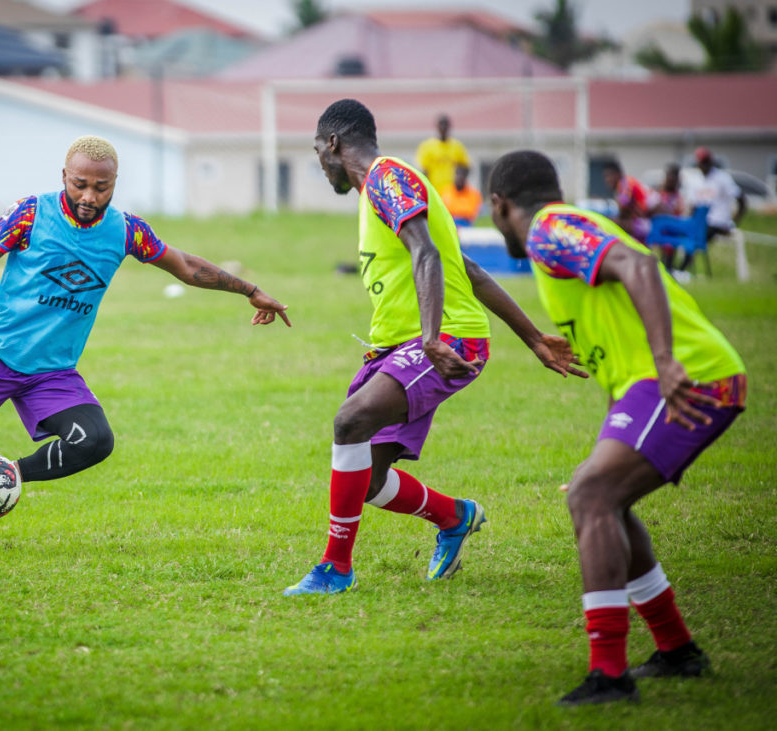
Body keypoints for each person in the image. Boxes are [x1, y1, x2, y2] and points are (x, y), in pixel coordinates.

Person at [0, 135, 291, 558]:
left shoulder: (126, 231)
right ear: (63, 177)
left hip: (51, 372)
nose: (89, 196)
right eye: (80, 184)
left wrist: (250, 290)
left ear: (114, 184)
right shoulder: (31, 213)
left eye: (101, 187)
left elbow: (186, 266)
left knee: (95, 442)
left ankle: (1, 476)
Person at [283, 100, 583, 596]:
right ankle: (455, 517)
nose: (319, 163)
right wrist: (533, 338)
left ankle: (335, 569)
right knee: (369, 479)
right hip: (399, 345)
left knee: (349, 422)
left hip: (443, 338)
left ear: (332, 143)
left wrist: (429, 337)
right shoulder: (379, 189)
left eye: (318, 151)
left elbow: (425, 252)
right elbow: (467, 268)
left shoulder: (387, 178)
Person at [488, 149, 747, 706]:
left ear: (499, 204)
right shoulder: (565, 229)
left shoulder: (549, 230)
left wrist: (667, 361)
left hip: (689, 377)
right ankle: (677, 650)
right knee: (606, 498)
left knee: (592, 495)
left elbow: (640, 266)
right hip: (660, 382)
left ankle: (609, 675)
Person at [677, 146, 746, 271]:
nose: (704, 165)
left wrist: (735, 221)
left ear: (711, 161)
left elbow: (741, 199)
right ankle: (674, 268)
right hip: (700, 221)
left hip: (719, 222)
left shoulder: (722, 178)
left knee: (697, 236)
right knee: (681, 232)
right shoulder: (695, 179)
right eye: (702, 162)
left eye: (706, 161)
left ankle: (681, 269)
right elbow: (693, 205)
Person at [602, 160, 658, 243]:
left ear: (617, 174)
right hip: (644, 224)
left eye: (609, 175)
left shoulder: (626, 183)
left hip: (647, 225)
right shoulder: (623, 184)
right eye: (605, 177)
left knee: (609, 223)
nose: (607, 180)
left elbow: (623, 208)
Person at [415, 114, 471, 192]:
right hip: (434, 190)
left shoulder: (457, 147)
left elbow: (466, 167)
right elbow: (422, 170)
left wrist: (459, 182)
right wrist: (427, 188)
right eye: (441, 125)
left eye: (445, 125)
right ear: (436, 127)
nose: (443, 127)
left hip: (452, 193)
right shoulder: (427, 146)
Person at [649, 163, 686, 271]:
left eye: (673, 176)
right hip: (657, 228)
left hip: (672, 229)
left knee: (671, 240)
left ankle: (669, 267)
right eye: (668, 175)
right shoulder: (658, 193)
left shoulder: (678, 196)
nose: (670, 179)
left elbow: (680, 212)